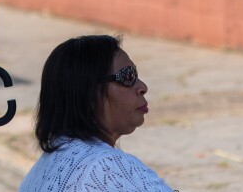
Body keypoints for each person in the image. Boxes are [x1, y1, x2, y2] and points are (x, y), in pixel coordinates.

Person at [18, 35, 175, 191]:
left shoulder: (45, 164)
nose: (143, 87)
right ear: (90, 93)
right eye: (128, 76)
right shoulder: (106, 167)